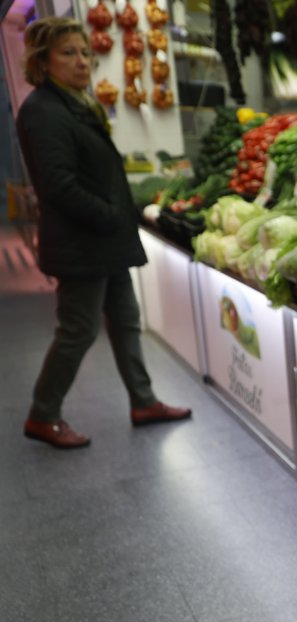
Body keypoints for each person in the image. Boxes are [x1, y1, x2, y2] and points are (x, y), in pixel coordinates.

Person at [17, 17, 190, 450]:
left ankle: (143, 400)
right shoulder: (43, 110)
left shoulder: (75, 102)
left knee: (127, 320)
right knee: (77, 330)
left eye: (84, 53)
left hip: (102, 241)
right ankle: (43, 413)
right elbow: (57, 184)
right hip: (83, 242)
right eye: (68, 53)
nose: (82, 62)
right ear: (43, 61)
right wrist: (111, 214)